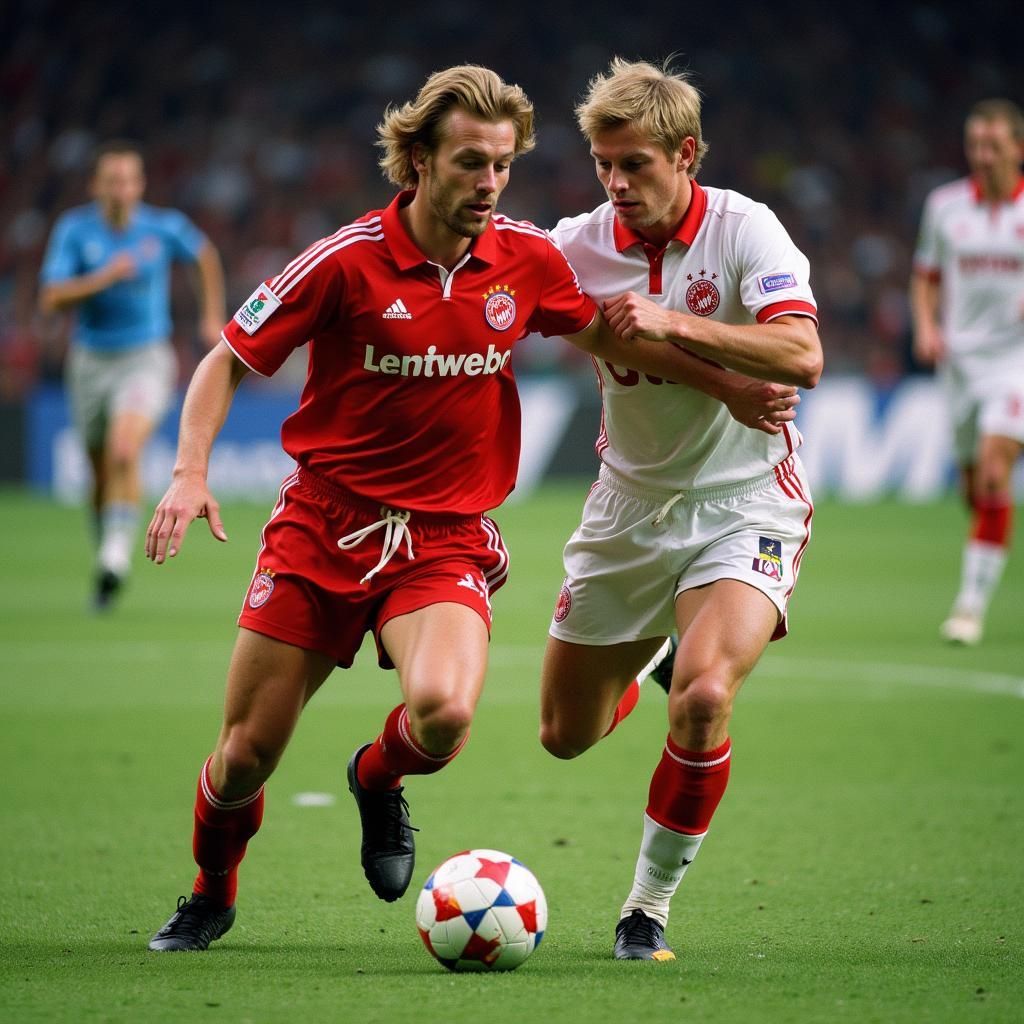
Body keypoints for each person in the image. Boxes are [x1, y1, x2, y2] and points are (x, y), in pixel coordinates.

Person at [141, 64, 798, 953]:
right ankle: (210, 892)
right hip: (322, 526)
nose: (488, 183)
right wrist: (188, 472)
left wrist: (727, 389)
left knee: (445, 715)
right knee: (245, 756)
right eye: (469, 163)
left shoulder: (526, 259)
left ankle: (377, 779)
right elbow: (226, 357)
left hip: (443, 537)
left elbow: (610, 335)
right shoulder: (345, 262)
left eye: (501, 165)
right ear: (416, 161)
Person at [538, 58, 823, 961]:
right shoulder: (575, 244)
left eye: (635, 165)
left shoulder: (749, 229)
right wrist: (717, 382)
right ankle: (654, 648)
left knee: (702, 700)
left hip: (747, 502)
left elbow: (803, 355)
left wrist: (680, 325)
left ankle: (645, 910)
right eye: (603, 165)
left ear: (686, 154)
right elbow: (548, 311)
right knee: (563, 736)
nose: (617, 184)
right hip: (629, 505)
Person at [38, 141, 226, 609]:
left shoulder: (161, 227)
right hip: (90, 361)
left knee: (125, 448)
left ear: (140, 185)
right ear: (97, 187)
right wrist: (103, 277)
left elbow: (203, 255)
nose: (121, 189)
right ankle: (107, 548)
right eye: (112, 181)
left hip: (146, 356)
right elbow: (51, 298)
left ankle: (117, 556)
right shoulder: (75, 230)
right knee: (100, 471)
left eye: (129, 180)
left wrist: (211, 316)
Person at [911, 98, 1024, 646]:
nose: (982, 156)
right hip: (959, 362)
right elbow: (925, 275)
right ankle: (993, 539)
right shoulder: (946, 206)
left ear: (1017, 150)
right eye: (975, 145)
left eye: (993, 146)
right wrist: (927, 327)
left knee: (996, 472)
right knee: (974, 487)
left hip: (1015, 362)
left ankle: (969, 607)